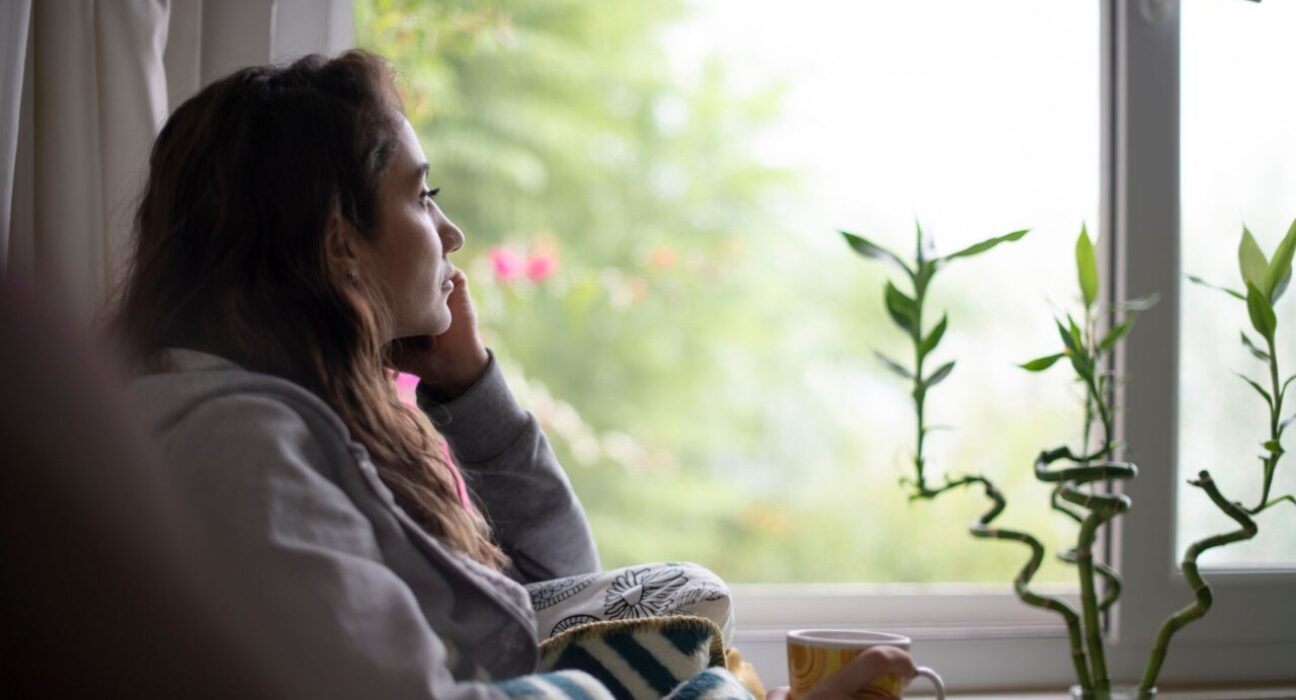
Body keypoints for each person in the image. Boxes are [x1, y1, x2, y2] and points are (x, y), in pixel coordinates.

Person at [108, 50, 918, 699]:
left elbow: (547, 621)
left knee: (680, 596)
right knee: (691, 633)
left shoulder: (285, 424)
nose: (451, 233)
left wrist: (470, 392)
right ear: (338, 241)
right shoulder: (242, 447)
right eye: (422, 196)